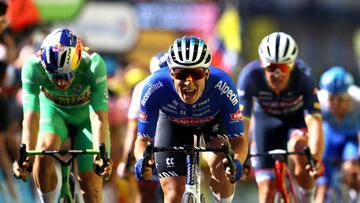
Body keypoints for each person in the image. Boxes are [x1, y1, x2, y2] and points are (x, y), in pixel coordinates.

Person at [133, 35, 248, 203]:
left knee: (221, 169)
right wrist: (141, 160)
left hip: (212, 121)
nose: (188, 82)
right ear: (171, 73)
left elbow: (239, 140)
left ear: (206, 73)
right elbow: (142, 140)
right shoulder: (154, 86)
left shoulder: (223, 85)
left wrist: (236, 162)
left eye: (196, 73)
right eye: (181, 74)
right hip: (172, 123)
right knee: (173, 195)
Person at [12, 28, 113, 203]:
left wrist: (101, 155)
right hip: (53, 113)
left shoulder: (94, 65)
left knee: (90, 183)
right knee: (43, 151)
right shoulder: (32, 67)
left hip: (86, 118)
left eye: (67, 75)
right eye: (55, 76)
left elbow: (99, 117)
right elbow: (30, 118)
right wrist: (25, 156)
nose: (61, 82)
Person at [236, 31, 325, 203]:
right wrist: (242, 158)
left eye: (283, 68)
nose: (277, 74)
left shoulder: (303, 76)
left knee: (300, 149)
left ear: (291, 66)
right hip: (265, 124)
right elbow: (242, 123)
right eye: (270, 67)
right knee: (267, 191)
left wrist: (315, 159)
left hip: (295, 121)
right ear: (262, 65)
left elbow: (314, 122)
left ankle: (307, 199)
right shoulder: (250, 76)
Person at [117, 51, 167, 203]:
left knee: (145, 196)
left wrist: (126, 162)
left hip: (151, 148)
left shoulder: (142, 87)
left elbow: (133, 130)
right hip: (167, 148)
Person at [315, 66, 360, 202]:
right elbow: (312, 128)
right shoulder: (319, 101)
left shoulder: (357, 100)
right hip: (329, 136)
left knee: (352, 171)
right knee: (323, 186)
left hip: (351, 138)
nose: (335, 104)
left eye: (340, 99)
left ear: (348, 96)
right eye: (331, 99)